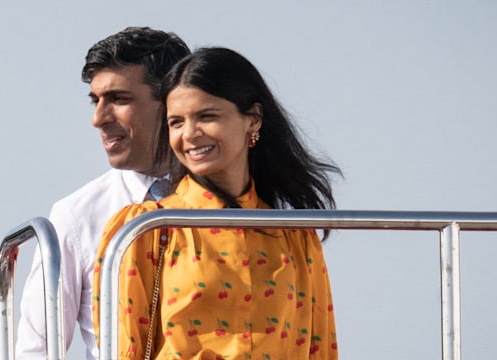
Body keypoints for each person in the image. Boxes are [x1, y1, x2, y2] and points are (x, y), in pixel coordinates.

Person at [92, 47, 341, 359]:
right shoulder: (148, 230)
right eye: (176, 122)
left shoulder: (296, 236)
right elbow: (123, 350)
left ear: (253, 120)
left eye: (207, 117)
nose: (190, 134)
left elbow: (319, 350)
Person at [15, 27, 190, 360]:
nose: (98, 118)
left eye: (119, 99)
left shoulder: (237, 203)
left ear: (173, 102)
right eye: (96, 101)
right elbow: (34, 350)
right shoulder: (76, 216)